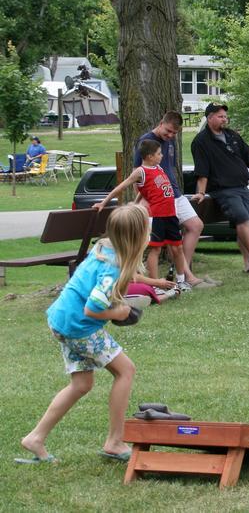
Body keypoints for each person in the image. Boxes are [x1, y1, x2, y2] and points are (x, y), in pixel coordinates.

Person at [17, 204, 148, 465]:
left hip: (61, 321)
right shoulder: (111, 269)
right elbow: (92, 309)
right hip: (79, 325)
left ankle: (35, 438)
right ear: (136, 237)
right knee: (126, 371)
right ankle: (114, 442)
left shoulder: (105, 246)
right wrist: (119, 313)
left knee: (81, 384)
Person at [95, 139, 199, 292]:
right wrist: (103, 202)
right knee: (155, 250)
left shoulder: (159, 168)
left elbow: (146, 192)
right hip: (157, 217)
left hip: (171, 214)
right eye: (158, 153)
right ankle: (155, 284)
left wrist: (137, 203)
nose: (161, 156)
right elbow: (121, 187)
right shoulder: (140, 171)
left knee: (177, 249)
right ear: (150, 156)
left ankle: (181, 280)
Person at [190, 103, 249, 275]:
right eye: (221, 116)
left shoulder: (232, 135)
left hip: (242, 188)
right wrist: (200, 192)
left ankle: (248, 265)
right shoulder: (201, 141)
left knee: (247, 226)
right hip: (224, 190)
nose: (225, 119)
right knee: (242, 220)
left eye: (225, 117)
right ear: (210, 118)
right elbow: (202, 170)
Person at [135, 111, 213, 287]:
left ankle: (182, 271)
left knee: (196, 225)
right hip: (157, 199)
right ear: (161, 122)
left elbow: (169, 168)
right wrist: (144, 199)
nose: (170, 136)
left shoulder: (170, 143)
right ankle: (186, 276)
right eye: (168, 131)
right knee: (164, 242)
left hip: (174, 193)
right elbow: (137, 173)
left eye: (174, 133)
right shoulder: (146, 142)